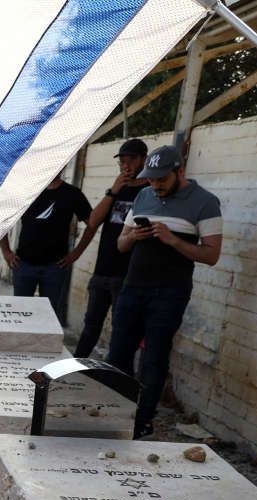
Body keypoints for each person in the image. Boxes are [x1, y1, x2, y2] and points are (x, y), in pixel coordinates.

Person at [106, 144, 222, 439]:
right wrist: (133, 235)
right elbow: (120, 245)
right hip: (132, 287)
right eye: (151, 178)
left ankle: (142, 420)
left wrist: (173, 241)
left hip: (170, 292)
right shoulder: (143, 195)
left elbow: (211, 255)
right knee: (118, 353)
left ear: (179, 172)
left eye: (161, 179)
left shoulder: (205, 203)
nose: (155, 185)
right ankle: (116, 414)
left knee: (154, 359)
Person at [74, 139, 147, 358]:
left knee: (122, 331)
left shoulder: (150, 191)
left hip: (128, 276)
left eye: (131, 160)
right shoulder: (116, 191)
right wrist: (113, 191)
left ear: (144, 159)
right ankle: (75, 370)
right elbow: (93, 221)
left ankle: (112, 377)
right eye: (122, 162)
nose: (126, 166)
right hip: (102, 271)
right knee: (90, 328)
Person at [0, 173, 95, 326]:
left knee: (48, 319)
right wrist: (6, 252)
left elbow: (92, 224)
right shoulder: (27, 190)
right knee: (18, 316)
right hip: (23, 265)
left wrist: (75, 254)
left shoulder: (72, 194)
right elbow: (1, 219)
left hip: (55, 267)